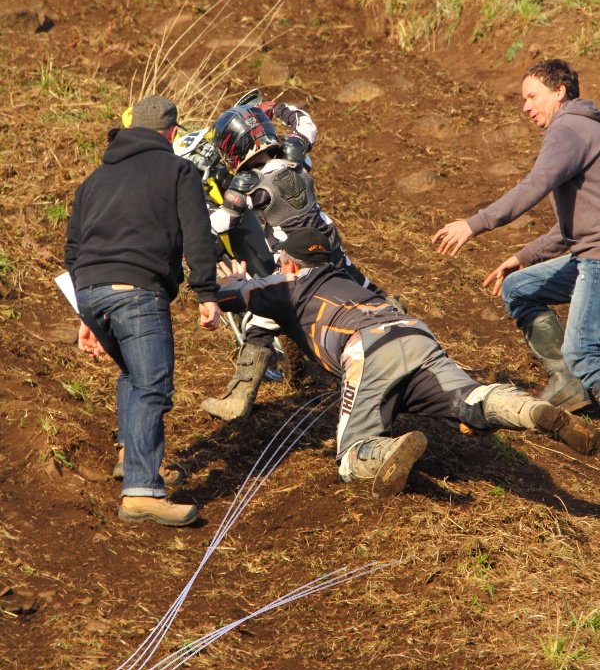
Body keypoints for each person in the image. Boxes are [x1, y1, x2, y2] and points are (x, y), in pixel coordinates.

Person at [213, 227, 597, 499]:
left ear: (291, 264)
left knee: (349, 457)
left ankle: (383, 451)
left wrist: (235, 280)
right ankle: (530, 409)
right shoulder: (349, 278)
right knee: (470, 399)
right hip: (413, 333)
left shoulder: (286, 283)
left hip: (366, 348)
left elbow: (226, 293)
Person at [65, 94, 220, 527]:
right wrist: (206, 293)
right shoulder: (178, 169)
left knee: (134, 376)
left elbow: (74, 250)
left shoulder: (95, 179)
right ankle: (141, 490)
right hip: (138, 292)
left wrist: (85, 313)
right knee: (153, 387)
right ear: (171, 133)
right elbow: (198, 234)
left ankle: (130, 456)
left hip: (91, 293)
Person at [198, 100, 403, 422]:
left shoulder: (250, 184)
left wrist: (196, 211)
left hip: (298, 268)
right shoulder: (295, 158)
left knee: (259, 322)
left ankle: (238, 400)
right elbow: (307, 124)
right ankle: (405, 353)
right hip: (334, 254)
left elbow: (223, 224)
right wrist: (279, 107)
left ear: (233, 148)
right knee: (375, 299)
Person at [432, 59, 600, 413]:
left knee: (583, 355)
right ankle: (567, 384)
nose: (525, 106)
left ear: (559, 91)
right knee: (518, 287)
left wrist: (474, 224)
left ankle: (578, 376)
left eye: (532, 96)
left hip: (597, 260)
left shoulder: (568, 128)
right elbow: (575, 226)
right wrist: (523, 258)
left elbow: (534, 186)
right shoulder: (582, 129)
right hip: (588, 255)